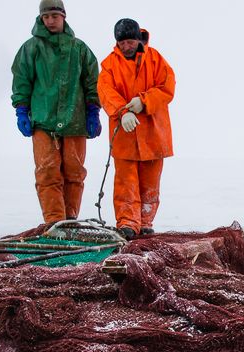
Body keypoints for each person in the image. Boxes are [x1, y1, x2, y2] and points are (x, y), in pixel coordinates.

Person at [11, 0, 102, 225]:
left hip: (76, 121)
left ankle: (70, 221)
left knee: (74, 172)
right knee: (47, 172)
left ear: (64, 16)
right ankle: (54, 223)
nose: (50, 20)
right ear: (41, 19)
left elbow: (93, 81)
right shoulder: (31, 48)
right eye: (46, 17)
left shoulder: (79, 48)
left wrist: (93, 110)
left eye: (54, 15)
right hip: (43, 121)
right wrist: (21, 110)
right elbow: (21, 80)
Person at [97, 18, 176, 240]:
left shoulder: (156, 59)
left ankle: (146, 222)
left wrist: (144, 101)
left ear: (138, 39)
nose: (126, 46)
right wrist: (123, 112)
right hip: (125, 133)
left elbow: (167, 88)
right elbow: (105, 92)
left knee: (150, 183)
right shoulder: (109, 65)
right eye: (121, 42)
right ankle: (128, 223)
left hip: (153, 133)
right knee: (125, 182)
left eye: (130, 41)